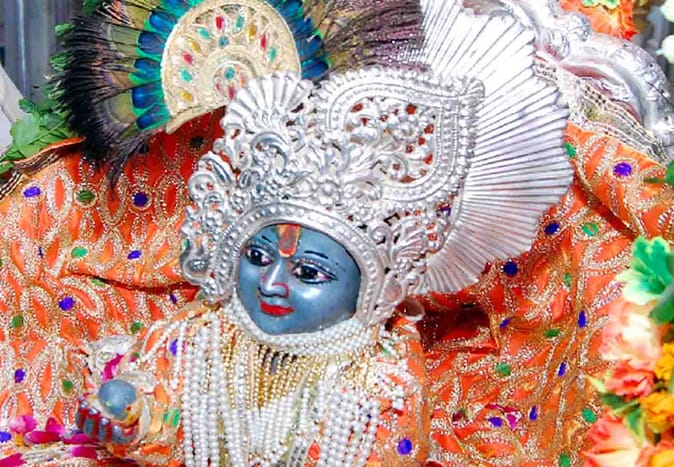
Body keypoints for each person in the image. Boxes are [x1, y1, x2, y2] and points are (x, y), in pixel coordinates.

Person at [0, 0, 672, 465]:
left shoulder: (383, 376)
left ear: (369, 290)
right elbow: (161, 410)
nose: (273, 282)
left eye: (311, 272)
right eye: (258, 254)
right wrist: (128, 415)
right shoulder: (198, 335)